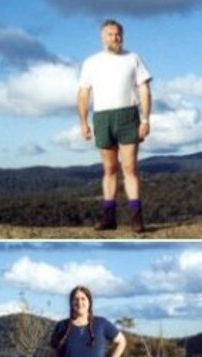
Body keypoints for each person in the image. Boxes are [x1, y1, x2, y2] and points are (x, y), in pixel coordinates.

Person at [77, 19, 152, 233]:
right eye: (110, 34)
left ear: (123, 36)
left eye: (118, 34)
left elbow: (144, 90)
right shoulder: (91, 62)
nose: (114, 38)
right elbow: (83, 93)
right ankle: (108, 217)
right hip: (102, 117)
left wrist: (146, 119)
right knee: (109, 169)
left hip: (128, 116)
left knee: (130, 168)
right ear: (102, 37)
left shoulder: (133, 58)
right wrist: (83, 122)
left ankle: (136, 219)